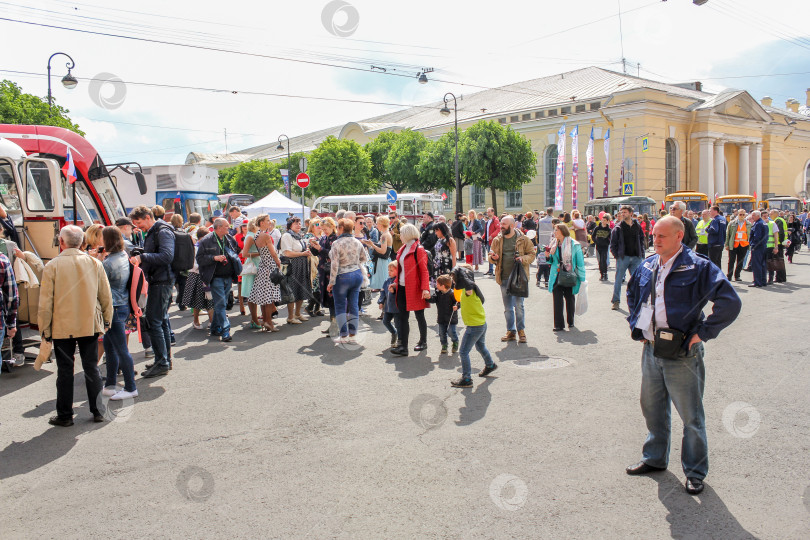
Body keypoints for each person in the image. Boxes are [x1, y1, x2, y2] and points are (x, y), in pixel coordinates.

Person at [624, 216, 741, 496]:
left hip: (682, 353)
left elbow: (730, 302)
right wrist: (637, 325)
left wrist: (702, 333)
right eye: (654, 235)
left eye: (662, 235)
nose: (656, 239)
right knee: (652, 408)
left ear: (679, 236)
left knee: (691, 416)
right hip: (651, 349)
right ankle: (654, 458)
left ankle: (695, 471)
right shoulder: (649, 263)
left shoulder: (698, 266)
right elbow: (632, 294)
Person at [39, 225, 112, 426]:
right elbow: (105, 295)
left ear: (61, 242)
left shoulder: (52, 266)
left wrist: (44, 329)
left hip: (62, 326)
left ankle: (64, 415)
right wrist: (107, 320)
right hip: (88, 322)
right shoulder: (94, 264)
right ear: (82, 242)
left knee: (64, 370)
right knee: (91, 366)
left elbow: (46, 303)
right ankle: (98, 410)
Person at [129, 206, 175, 378]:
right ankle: (163, 360)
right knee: (160, 321)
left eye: (139, 223)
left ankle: (162, 361)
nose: (138, 227)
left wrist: (143, 257)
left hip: (161, 281)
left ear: (148, 217)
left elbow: (167, 256)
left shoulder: (162, 231)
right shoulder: (157, 230)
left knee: (155, 321)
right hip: (159, 280)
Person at [100, 226, 137, 402]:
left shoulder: (107, 263)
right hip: (122, 304)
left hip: (113, 307)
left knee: (120, 349)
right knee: (111, 346)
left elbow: (99, 286)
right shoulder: (124, 255)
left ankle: (131, 387)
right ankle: (110, 384)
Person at [488, 216, 535, 343]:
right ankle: (511, 331)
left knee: (519, 306)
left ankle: (521, 331)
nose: (501, 226)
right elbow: (490, 256)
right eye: (501, 224)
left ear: (512, 226)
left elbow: (532, 254)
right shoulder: (497, 240)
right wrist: (494, 258)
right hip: (503, 278)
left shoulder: (523, 239)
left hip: (519, 278)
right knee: (508, 307)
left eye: (504, 224)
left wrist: (522, 259)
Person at [449, 266, 497, 388]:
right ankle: (490, 364)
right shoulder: (470, 290)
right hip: (480, 324)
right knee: (480, 346)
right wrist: (459, 306)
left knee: (463, 352)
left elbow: (467, 286)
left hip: (474, 327)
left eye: (455, 278)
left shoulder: (469, 290)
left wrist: (461, 273)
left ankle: (466, 379)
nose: (454, 281)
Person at [196, 218, 241, 342]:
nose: (229, 228)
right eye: (227, 226)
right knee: (221, 304)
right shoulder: (206, 240)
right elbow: (199, 259)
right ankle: (226, 330)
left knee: (221, 304)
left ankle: (215, 328)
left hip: (228, 277)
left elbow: (236, 252)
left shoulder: (229, 239)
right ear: (219, 227)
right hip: (215, 277)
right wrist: (214, 258)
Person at [390, 223, 430, 356]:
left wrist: (425, 288)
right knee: (402, 317)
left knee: (419, 316)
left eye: (401, 233)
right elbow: (401, 270)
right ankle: (403, 346)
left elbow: (424, 271)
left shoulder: (419, 249)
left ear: (407, 234)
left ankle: (423, 342)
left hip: (416, 288)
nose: (399, 235)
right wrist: (395, 283)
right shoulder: (403, 248)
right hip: (401, 287)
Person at [327, 218, 368, 344]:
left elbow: (334, 265)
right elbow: (364, 258)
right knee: (354, 305)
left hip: (342, 276)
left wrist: (331, 282)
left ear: (340, 228)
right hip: (356, 274)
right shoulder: (357, 241)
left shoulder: (336, 243)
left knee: (340, 306)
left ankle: (344, 335)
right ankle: (353, 334)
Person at [548, 224, 586, 331]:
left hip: (569, 273)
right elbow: (551, 260)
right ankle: (558, 324)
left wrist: (582, 279)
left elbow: (580, 263)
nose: (554, 232)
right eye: (554, 230)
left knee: (569, 298)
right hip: (557, 274)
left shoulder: (574, 244)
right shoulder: (553, 243)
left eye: (556, 230)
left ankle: (571, 321)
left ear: (563, 231)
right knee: (557, 299)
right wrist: (548, 256)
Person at [248, 215, 282, 332]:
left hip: (262, 267)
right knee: (269, 297)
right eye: (267, 221)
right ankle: (268, 322)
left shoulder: (257, 235)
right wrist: (278, 263)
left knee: (263, 296)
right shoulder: (266, 236)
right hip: (270, 266)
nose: (270, 222)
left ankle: (266, 320)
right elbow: (273, 253)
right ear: (262, 222)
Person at [610, 205, 645, 310]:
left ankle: (637, 300)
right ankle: (616, 301)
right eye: (622, 212)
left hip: (636, 257)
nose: (623, 214)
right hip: (623, 257)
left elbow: (642, 240)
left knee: (637, 280)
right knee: (618, 280)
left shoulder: (637, 226)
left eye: (625, 212)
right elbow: (613, 244)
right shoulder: (618, 227)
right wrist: (617, 255)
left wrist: (641, 254)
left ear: (630, 213)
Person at [280, 217, 314, 324]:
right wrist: (303, 253)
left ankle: (298, 313)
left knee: (301, 289)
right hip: (292, 266)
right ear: (290, 225)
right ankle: (290, 316)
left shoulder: (299, 236)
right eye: (296, 224)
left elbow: (300, 249)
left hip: (301, 265)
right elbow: (287, 253)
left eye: (299, 223)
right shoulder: (287, 235)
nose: (299, 225)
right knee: (292, 290)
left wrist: (306, 251)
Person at [310, 217, 339, 336]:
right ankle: (333, 325)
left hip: (331, 272)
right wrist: (313, 246)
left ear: (332, 226)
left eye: (326, 229)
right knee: (328, 299)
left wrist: (320, 248)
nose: (324, 231)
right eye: (322, 229)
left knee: (333, 300)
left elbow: (333, 254)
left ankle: (335, 326)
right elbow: (316, 252)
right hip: (323, 271)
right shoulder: (323, 237)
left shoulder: (336, 239)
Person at [182, 227, 215, 330]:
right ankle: (197, 321)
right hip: (197, 275)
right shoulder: (196, 247)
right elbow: (194, 264)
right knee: (199, 300)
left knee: (208, 300)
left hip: (201, 274)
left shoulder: (202, 246)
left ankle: (209, 321)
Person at [429, 274, 459, 354]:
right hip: (441, 318)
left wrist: (456, 306)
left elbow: (458, 302)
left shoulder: (452, 294)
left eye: (437, 284)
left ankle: (455, 341)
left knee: (451, 332)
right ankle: (444, 345)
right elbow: (433, 299)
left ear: (443, 286)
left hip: (451, 318)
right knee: (442, 333)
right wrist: (428, 298)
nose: (436, 285)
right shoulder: (438, 293)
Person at [240, 218, 262, 328]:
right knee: (251, 294)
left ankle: (255, 318)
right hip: (252, 266)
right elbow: (244, 253)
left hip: (254, 265)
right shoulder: (250, 236)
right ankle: (254, 319)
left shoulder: (251, 235)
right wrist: (259, 253)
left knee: (253, 294)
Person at [365, 215, 393, 291]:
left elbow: (382, 251)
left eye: (377, 223)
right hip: (384, 261)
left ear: (381, 224)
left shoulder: (384, 236)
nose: (376, 225)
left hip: (382, 262)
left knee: (384, 284)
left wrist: (372, 244)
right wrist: (371, 244)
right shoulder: (386, 234)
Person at [377, 261, 400, 348]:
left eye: (391, 270)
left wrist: (394, 290)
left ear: (398, 271)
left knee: (398, 324)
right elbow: (382, 292)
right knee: (385, 321)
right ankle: (394, 333)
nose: (389, 272)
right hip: (388, 307)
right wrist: (381, 302)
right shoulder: (386, 281)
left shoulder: (399, 282)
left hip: (397, 307)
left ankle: (399, 341)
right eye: (388, 270)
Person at [724, 209, 750, 281]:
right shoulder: (732, 223)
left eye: (743, 215)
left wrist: (749, 245)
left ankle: (737, 276)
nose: (741, 216)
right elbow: (728, 234)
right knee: (731, 261)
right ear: (737, 215)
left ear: (745, 215)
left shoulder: (748, 224)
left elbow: (750, 235)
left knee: (740, 261)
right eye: (740, 214)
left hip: (743, 245)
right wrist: (727, 244)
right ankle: (729, 276)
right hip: (733, 244)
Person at [431, 222, 456, 287]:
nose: (435, 233)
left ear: (442, 229)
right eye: (434, 231)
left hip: (446, 268)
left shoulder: (449, 240)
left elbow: (454, 256)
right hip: (437, 268)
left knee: (446, 289)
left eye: (437, 230)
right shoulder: (439, 240)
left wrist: (453, 271)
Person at [593, 214, 612, 281]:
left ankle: (605, 273)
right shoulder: (597, 228)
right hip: (598, 246)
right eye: (602, 220)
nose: (603, 221)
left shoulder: (609, 229)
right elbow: (593, 236)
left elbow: (610, 238)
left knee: (604, 260)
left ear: (607, 221)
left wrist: (608, 243)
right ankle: (601, 274)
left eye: (605, 220)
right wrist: (596, 241)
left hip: (605, 247)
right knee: (600, 261)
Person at [483, 208, 501, 276]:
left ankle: (495, 270)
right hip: (488, 240)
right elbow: (486, 231)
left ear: (493, 212)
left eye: (489, 212)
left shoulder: (495, 220)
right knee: (490, 255)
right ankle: (490, 270)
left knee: (494, 255)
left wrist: (492, 235)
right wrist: (482, 237)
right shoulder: (488, 221)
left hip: (493, 241)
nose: (488, 213)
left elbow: (498, 229)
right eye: (487, 212)